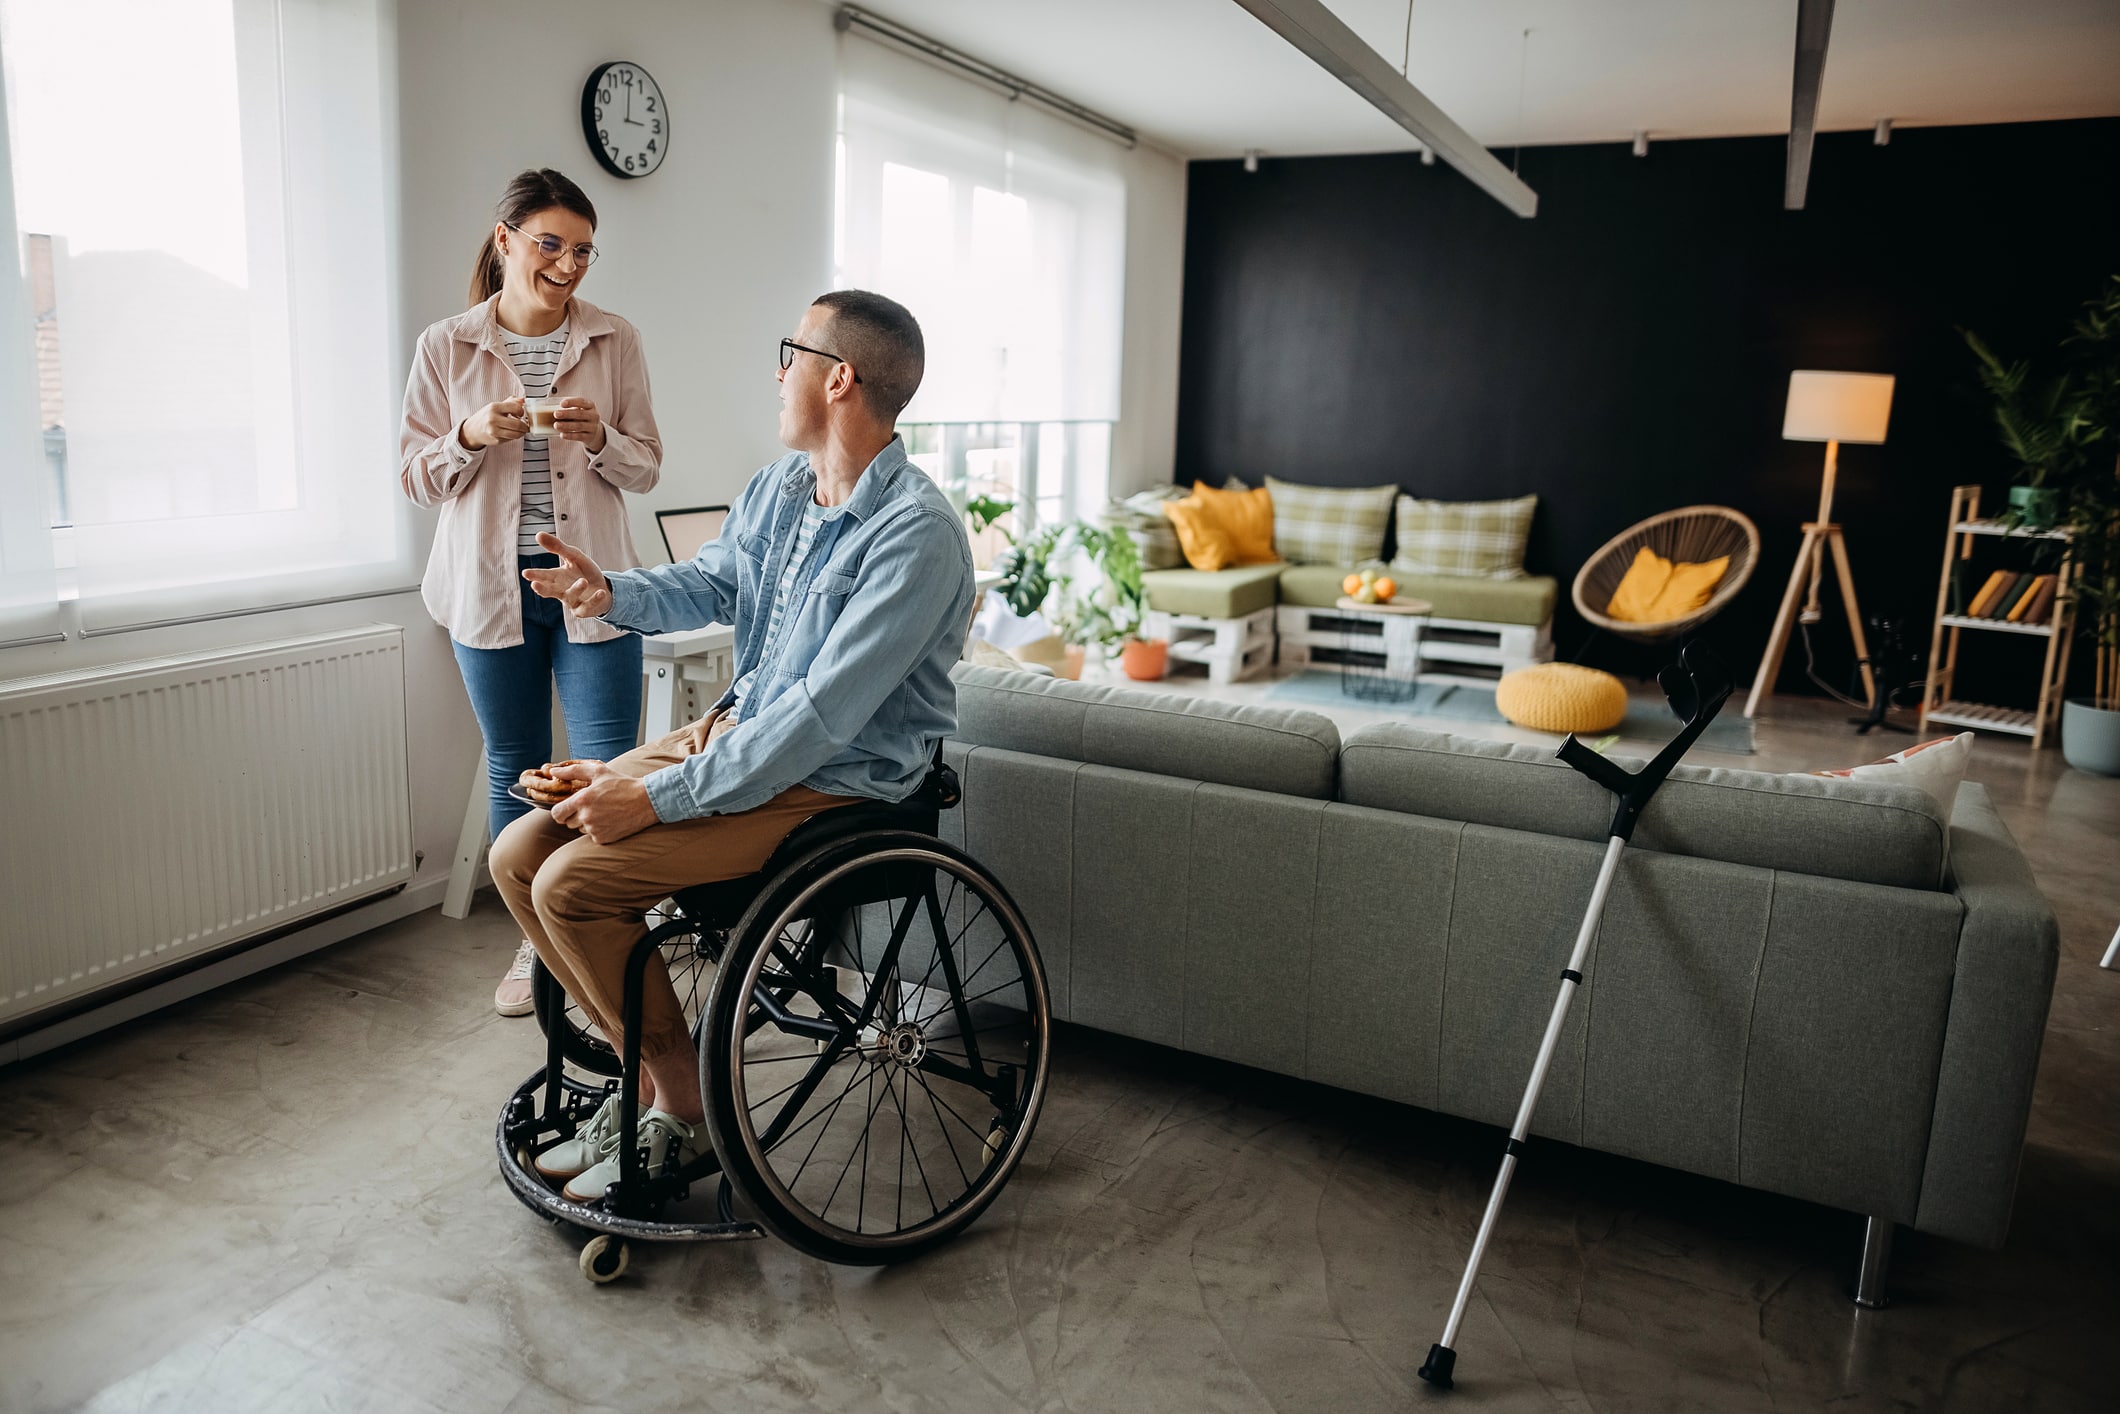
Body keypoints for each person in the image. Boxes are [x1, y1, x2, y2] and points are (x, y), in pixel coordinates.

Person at [490, 289, 973, 1203]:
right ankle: (649, 1087)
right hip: (746, 737)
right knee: (519, 853)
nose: (777, 368)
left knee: (574, 880)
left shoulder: (917, 537)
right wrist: (611, 594)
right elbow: (714, 582)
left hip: (839, 784)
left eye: (790, 351)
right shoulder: (780, 487)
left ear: (839, 379)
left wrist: (655, 795)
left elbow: (818, 722)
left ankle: (685, 1103)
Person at [398, 168, 662, 1018]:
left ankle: (608, 941)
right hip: (487, 587)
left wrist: (602, 436)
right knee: (519, 770)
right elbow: (415, 477)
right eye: (551, 244)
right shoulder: (447, 344)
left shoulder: (615, 338)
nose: (569, 263)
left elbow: (646, 465)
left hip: (591, 587)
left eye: (583, 249)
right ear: (507, 239)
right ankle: (538, 946)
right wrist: (470, 434)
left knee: (605, 773)